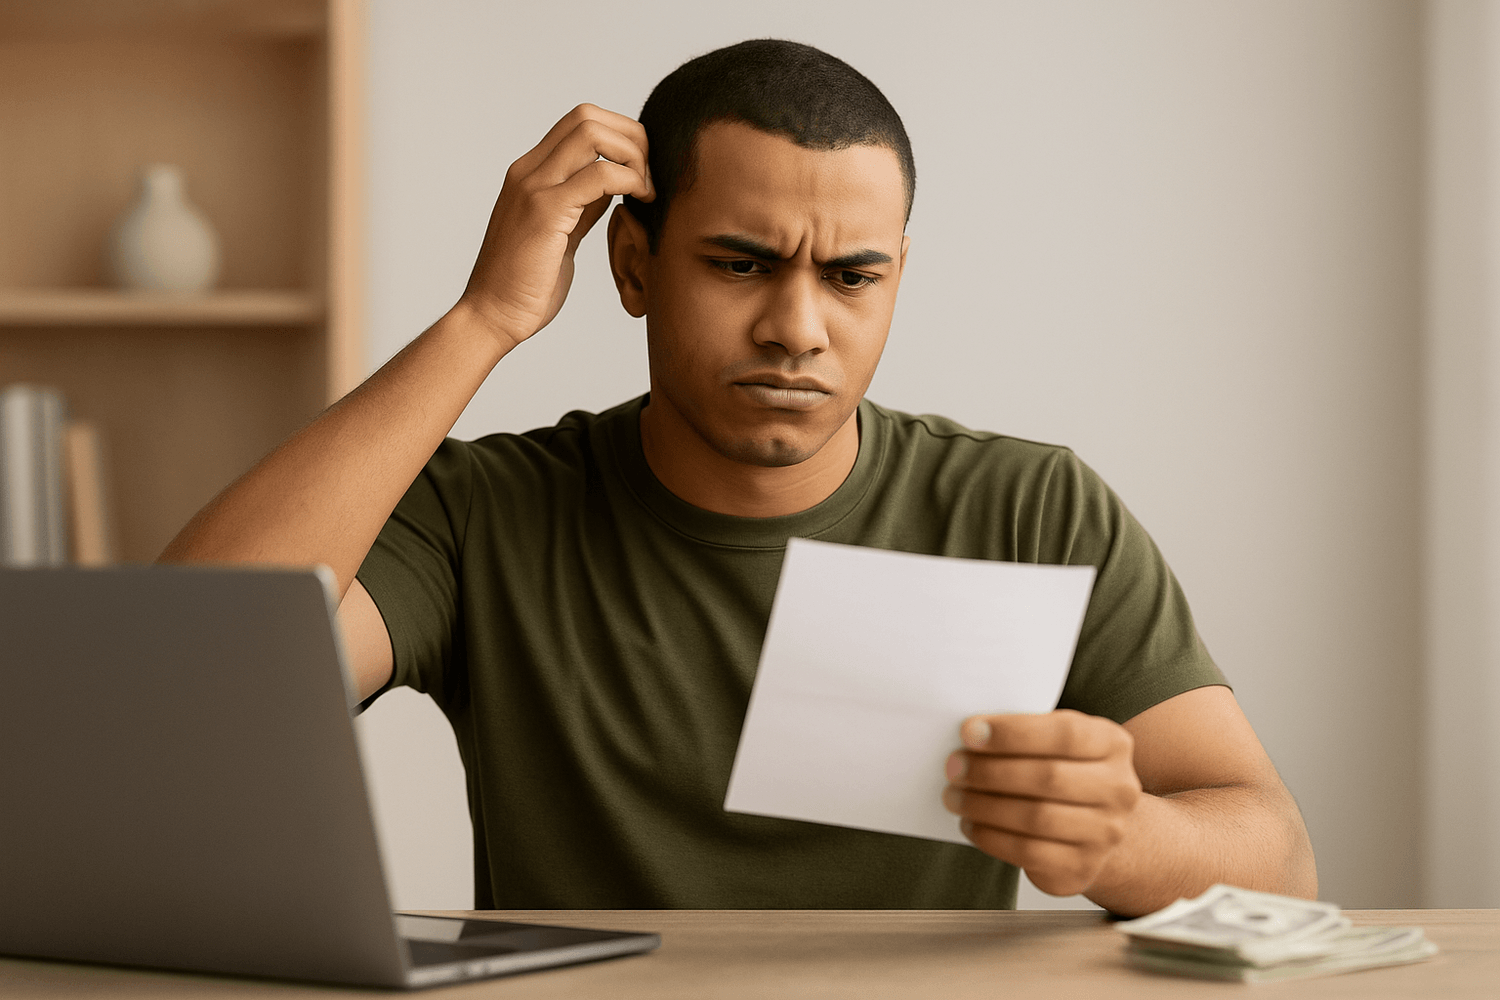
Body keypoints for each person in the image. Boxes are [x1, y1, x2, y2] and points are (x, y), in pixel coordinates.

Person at [160, 39, 1316, 916]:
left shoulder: (1027, 507)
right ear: (633, 263)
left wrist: (1119, 837)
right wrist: (486, 317)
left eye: (854, 277)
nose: (798, 328)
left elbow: (1279, 858)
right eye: (742, 264)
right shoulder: (489, 514)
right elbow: (190, 678)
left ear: (899, 274)